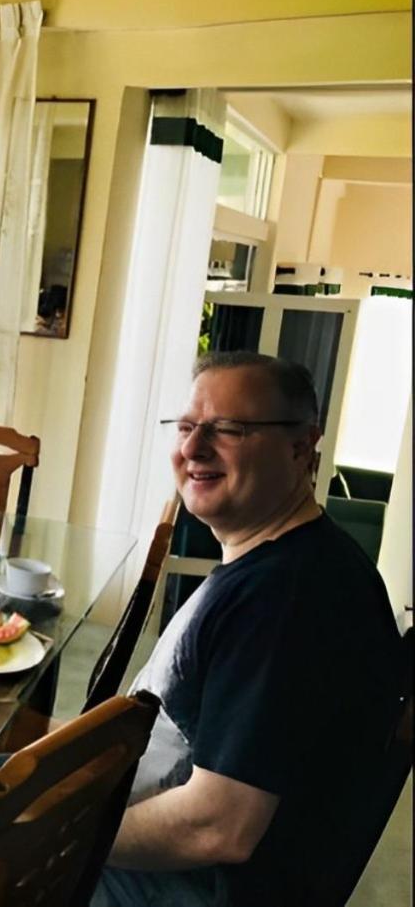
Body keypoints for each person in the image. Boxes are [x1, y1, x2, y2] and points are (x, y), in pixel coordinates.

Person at [93, 351, 404, 906]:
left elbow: (219, 826)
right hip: (134, 823)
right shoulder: (284, 564)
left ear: (301, 448)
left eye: (229, 429)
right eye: (186, 427)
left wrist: (65, 840)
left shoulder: (288, 600)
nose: (193, 448)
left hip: (179, 884)